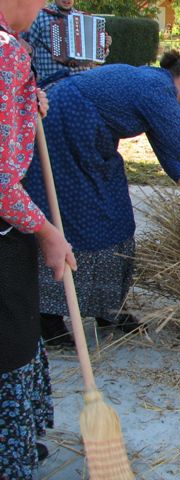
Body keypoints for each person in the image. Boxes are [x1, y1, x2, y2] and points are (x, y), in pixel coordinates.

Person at [25, 51, 180, 346]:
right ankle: (49, 318)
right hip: (65, 128)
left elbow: (175, 163)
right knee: (79, 218)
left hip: (90, 137)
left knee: (116, 217)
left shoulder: (159, 93)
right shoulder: (157, 91)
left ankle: (107, 307)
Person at [0, 0, 77, 477]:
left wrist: (26, 108)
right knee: (10, 340)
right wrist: (46, 231)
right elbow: (2, 182)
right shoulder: (8, 54)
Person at [22, 0, 111, 89]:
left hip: (81, 86)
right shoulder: (38, 16)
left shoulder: (84, 18)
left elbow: (96, 58)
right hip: (51, 86)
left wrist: (103, 44)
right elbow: (22, 45)